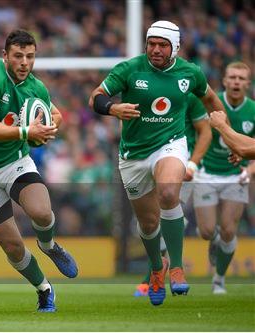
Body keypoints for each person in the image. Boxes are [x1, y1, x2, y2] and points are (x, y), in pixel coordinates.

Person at [89, 20, 225, 306]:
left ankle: (176, 265)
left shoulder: (191, 73)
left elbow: (212, 100)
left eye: (162, 45)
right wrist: (113, 108)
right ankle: (156, 268)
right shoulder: (129, 69)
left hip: (170, 144)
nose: (155, 49)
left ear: (175, 47)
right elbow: (96, 98)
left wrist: (229, 135)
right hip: (133, 155)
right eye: (151, 43)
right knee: (148, 223)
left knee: (168, 192)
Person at [0, 29, 78, 313]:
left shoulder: (36, 87)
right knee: (12, 245)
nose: (25, 62)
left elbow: (56, 115)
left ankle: (49, 246)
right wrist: (26, 131)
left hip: (15, 163)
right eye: (19, 56)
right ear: (5, 56)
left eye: (30, 56)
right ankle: (44, 288)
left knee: (42, 212)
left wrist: (47, 130)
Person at [134, 93, 212, 297]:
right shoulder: (146, 91)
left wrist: (193, 164)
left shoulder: (188, 95)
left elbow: (206, 131)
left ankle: (162, 273)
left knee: (169, 207)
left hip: (180, 164)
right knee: (149, 220)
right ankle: (160, 268)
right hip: (149, 160)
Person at [193, 61, 255, 294]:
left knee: (230, 230)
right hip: (207, 173)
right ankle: (214, 238)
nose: (237, 82)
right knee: (207, 231)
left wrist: (248, 171)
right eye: (233, 77)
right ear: (225, 80)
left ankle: (218, 278)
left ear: (248, 84)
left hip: (235, 177)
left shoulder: (253, 111)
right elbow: (196, 130)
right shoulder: (209, 101)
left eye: (241, 78)